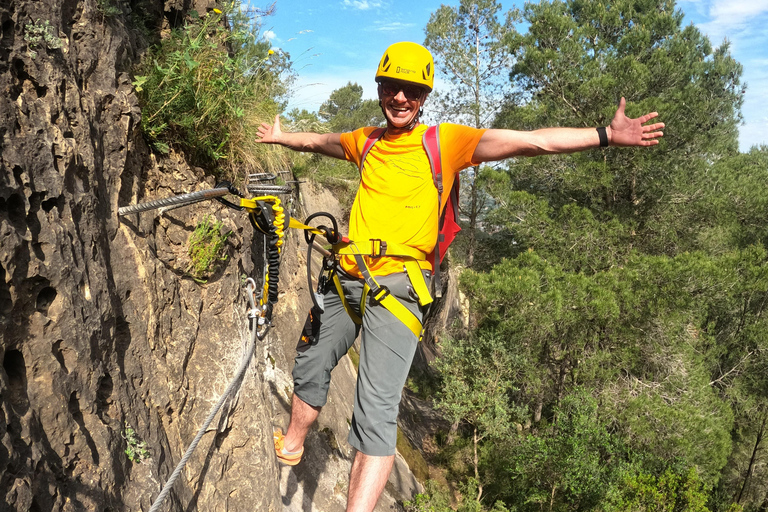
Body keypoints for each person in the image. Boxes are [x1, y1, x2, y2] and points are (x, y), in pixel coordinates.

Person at [257, 41, 664, 512]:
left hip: (398, 291)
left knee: (376, 413)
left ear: (424, 96)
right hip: (348, 274)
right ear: (380, 89)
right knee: (311, 360)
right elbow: (322, 142)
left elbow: (533, 140)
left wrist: (604, 135)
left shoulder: (443, 143)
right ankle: (293, 441)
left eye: (412, 90)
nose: (401, 98)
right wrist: (281, 138)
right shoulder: (365, 141)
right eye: (392, 87)